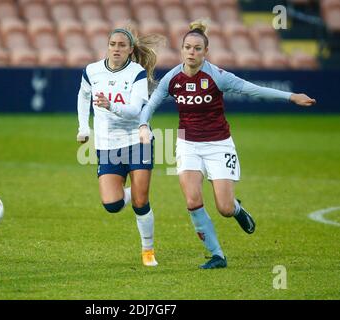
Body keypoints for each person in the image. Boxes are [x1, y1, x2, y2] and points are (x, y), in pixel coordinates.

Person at [139, 20, 316, 269]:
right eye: (187, 47)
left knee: (223, 207)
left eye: (197, 48)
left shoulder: (218, 76)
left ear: (205, 52)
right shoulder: (172, 78)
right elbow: (151, 104)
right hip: (188, 145)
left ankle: (237, 209)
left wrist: (291, 97)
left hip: (218, 145)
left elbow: (252, 89)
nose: (192, 52)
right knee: (192, 201)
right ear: (181, 50)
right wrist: (143, 125)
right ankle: (217, 255)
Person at [77, 27, 164, 267]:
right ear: (107, 45)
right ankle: (133, 191)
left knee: (140, 203)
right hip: (107, 145)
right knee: (112, 204)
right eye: (113, 44)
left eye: (122, 45)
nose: (116, 48)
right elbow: (83, 96)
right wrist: (83, 127)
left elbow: (135, 110)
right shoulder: (92, 71)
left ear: (130, 50)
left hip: (138, 140)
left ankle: (148, 251)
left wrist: (109, 106)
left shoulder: (137, 73)